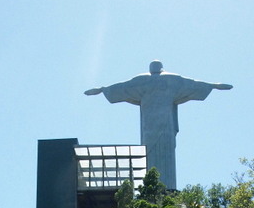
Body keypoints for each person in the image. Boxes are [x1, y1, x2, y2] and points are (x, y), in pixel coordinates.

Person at [85, 60, 232, 190]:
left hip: (152, 128)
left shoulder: (142, 81)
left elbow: (122, 87)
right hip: (156, 127)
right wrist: (213, 86)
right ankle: (157, 187)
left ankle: (162, 188)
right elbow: (192, 84)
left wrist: (102, 89)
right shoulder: (171, 80)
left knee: (157, 152)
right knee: (152, 153)